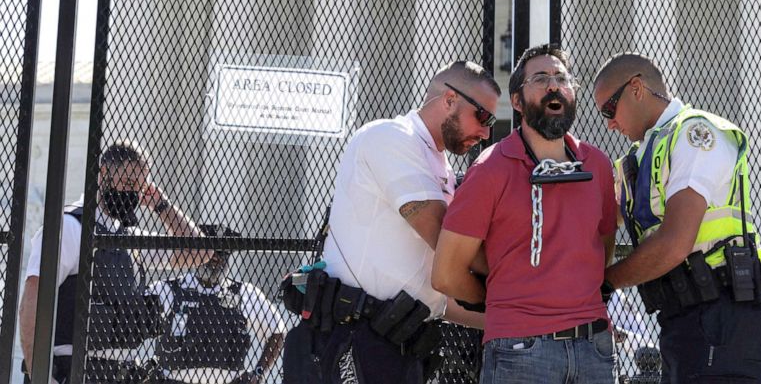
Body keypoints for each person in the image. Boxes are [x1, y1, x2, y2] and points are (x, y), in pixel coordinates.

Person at [433, 44, 617, 384]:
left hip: (594, 348)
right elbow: (446, 273)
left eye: (561, 78)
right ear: (517, 102)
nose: (553, 86)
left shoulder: (599, 167)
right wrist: (504, 301)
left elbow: (601, 252)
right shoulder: (489, 170)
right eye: (541, 78)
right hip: (520, 351)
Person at [592, 53, 761, 383]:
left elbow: (675, 244)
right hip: (683, 319)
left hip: (722, 317)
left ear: (636, 88)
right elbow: (596, 220)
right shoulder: (638, 159)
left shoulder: (696, 135)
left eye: (609, 109)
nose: (609, 123)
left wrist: (604, 284)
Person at [315, 61, 499, 384]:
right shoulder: (392, 137)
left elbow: (438, 293)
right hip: (358, 338)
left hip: (403, 342)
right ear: (449, 100)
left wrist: (519, 315)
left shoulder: (436, 163)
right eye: (482, 117)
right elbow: (447, 246)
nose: (486, 132)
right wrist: (518, 282)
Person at [19, 141, 211, 384]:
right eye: (128, 184)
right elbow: (32, 300)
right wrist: (40, 377)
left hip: (119, 374)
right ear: (103, 176)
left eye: (140, 189)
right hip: (71, 370)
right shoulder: (69, 227)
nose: (133, 194)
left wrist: (160, 205)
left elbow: (201, 252)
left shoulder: (129, 239)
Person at [148, 224, 286, 384]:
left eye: (222, 253)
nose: (216, 258)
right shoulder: (169, 289)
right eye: (210, 252)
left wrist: (258, 373)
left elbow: (277, 331)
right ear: (197, 254)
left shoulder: (243, 293)